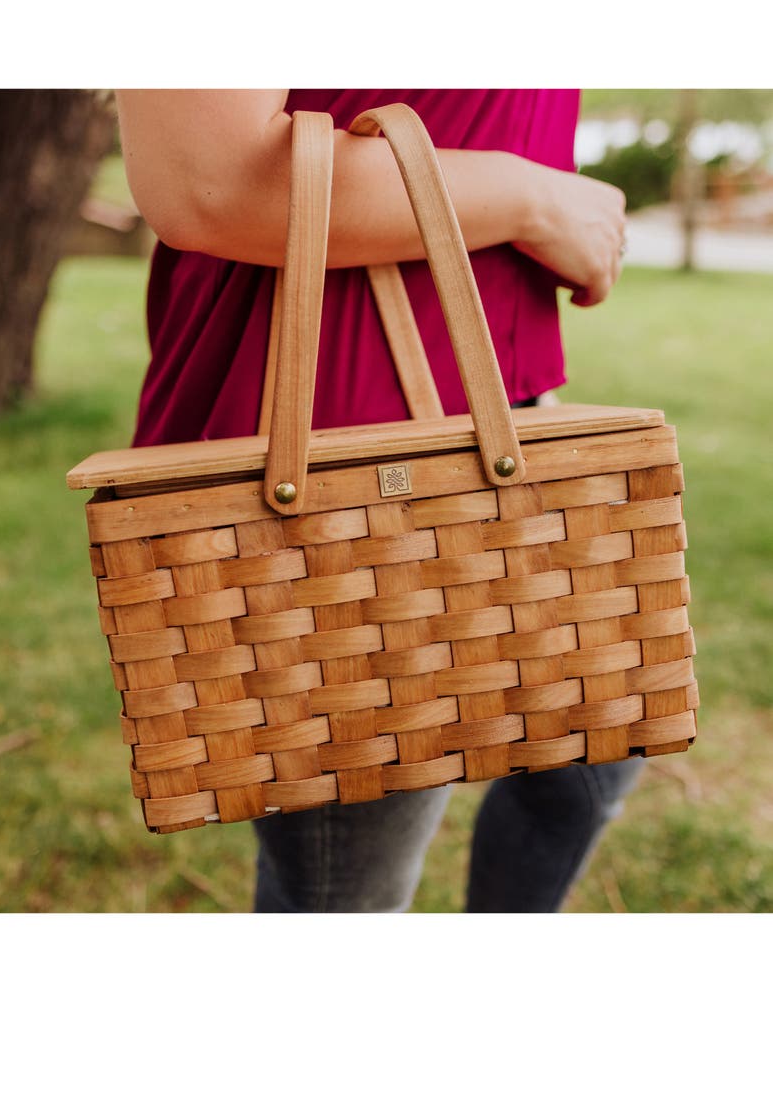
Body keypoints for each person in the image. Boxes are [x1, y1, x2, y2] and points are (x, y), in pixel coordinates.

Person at [115, 88, 641, 912]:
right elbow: (206, 182)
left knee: (603, 743)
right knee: (349, 891)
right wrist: (533, 197)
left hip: (501, 399)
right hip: (338, 447)